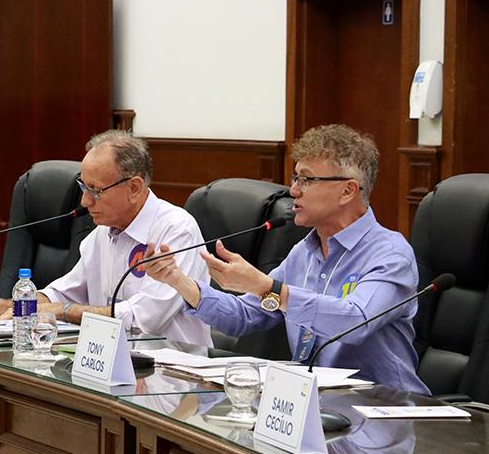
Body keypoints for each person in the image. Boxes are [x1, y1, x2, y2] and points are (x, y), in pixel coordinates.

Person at [144, 124, 428, 394]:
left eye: (307, 179)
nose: (294, 190)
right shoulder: (304, 253)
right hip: (314, 403)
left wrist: (271, 289)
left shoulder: (389, 254)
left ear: (347, 191)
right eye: (295, 178)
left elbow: (355, 321)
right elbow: (244, 315)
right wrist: (178, 280)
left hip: (384, 412)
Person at [0, 131, 213, 345]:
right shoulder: (103, 231)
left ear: (134, 187)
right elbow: (65, 291)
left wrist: (62, 310)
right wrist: (14, 307)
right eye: (83, 186)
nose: (85, 201)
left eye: (95, 190)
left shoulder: (176, 230)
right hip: (107, 360)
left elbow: (142, 320)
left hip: (174, 373)